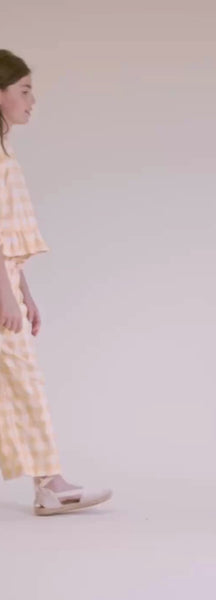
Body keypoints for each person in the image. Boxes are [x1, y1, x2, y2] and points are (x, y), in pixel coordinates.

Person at [0, 49, 112, 516]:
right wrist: (6, 295)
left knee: (18, 382)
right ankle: (50, 483)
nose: (33, 101)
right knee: (22, 380)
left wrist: (23, 292)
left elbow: (7, 235)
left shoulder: (5, 151)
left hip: (6, 281)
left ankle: (49, 483)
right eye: (24, 90)